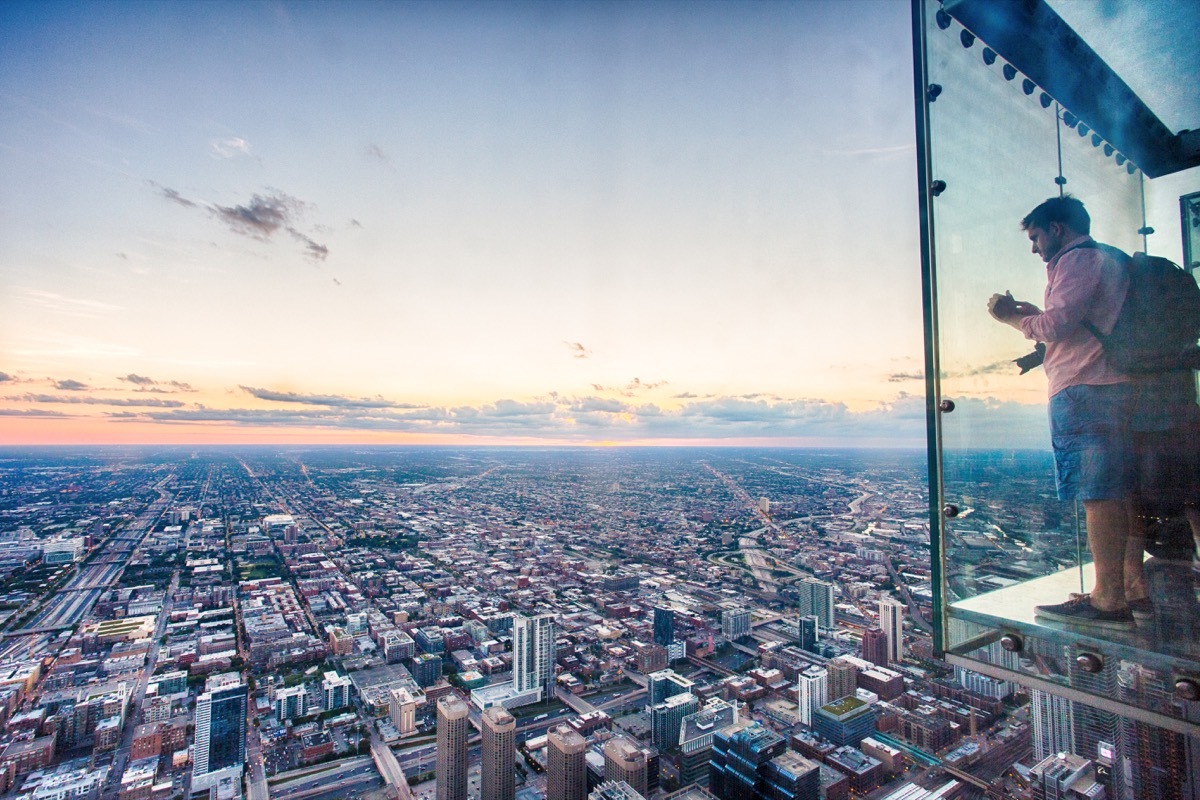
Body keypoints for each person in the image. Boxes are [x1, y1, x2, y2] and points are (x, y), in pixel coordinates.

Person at [987, 195, 1140, 630]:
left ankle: (1109, 597)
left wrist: (1008, 319)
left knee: (1098, 494)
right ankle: (1127, 585)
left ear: (1057, 228)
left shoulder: (1078, 260)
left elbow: (1056, 328)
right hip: (1108, 385)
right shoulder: (1108, 261)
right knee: (1115, 491)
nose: (1034, 248)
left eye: (1036, 237)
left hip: (1085, 387)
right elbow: (1070, 321)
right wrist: (1032, 314)